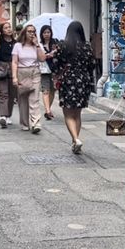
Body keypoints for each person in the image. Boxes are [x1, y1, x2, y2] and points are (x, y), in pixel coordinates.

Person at [50, 21, 96, 154]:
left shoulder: (63, 46)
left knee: (68, 113)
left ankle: (75, 139)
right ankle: (75, 140)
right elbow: (92, 65)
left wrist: (57, 76)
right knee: (77, 114)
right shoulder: (87, 46)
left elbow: (55, 64)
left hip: (68, 80)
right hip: (83, 80)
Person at [11, 24, 46, 134]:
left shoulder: (37, 45)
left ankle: (36, 123)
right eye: (29, 31)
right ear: (24, 33)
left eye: (33, 31)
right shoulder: (17, 46)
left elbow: (42, 59)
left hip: (34, 72)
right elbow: (14, 62)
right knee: (23, 100)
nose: (32, 33)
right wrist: (14, 77)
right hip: (22, 72)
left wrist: (37, 45)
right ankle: (25, 123)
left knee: (34, 99)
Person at [0, 22, 16, 128]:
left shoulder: (16, 42)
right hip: (2, 67)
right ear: (2, 30)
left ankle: (8, 115)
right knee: (4, 93)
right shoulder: (0, 41)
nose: (8, 29)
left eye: (9, 27)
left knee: (12, 94)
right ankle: (2, 116)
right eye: (6, 28)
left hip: (13, 68)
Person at [39, 25, 59, 120]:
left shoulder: (55, 43)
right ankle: (47, 111)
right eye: (44, 33)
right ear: (42, 34)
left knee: (53, 90)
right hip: (44, 70)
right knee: (45, 91)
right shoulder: (39, 45)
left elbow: (60, 53)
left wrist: (55, 52)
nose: (47, 34)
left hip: (55, 70)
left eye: (48, 32)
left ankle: (48, 109)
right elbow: (39, 57)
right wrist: (47, 55)